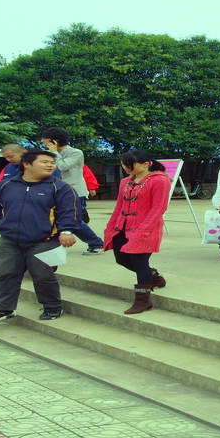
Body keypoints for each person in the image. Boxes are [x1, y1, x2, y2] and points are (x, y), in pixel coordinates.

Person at [0, 149, 80, 325]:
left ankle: (52, 306)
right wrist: (2, 221)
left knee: (43, 275)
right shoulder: (6, 185)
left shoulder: (60, 187)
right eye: (44, 162)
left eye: (52, 163)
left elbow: (70, 211)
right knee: (6, 273)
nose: (50, 165)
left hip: (45, 240)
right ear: (26, 164)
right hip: (10, 240)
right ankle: (3, 308)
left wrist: (67, 231)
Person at [104, 150, 170, 314]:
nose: (126, 168)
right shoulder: (125, 182)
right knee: (121, 259)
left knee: (139, 262)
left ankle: (143, 301)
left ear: (146, 164)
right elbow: (119, 207)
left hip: (146, 229)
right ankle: (153, 277)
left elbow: (158, 208)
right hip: (122, 227)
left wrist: (143, 230)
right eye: (124, 165)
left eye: (129, 165)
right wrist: (110, 227)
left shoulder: (160, 180)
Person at [41, 128, 104, 255]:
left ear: (54, 141)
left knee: (74, 220)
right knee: (56, 218)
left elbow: (62, 166)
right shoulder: (49, 154)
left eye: (45, 141)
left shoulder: (75, 152)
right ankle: (54, 244)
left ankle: (96, 243)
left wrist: (54, 152)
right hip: (55, 191)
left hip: (74, 191)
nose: (43, 143)